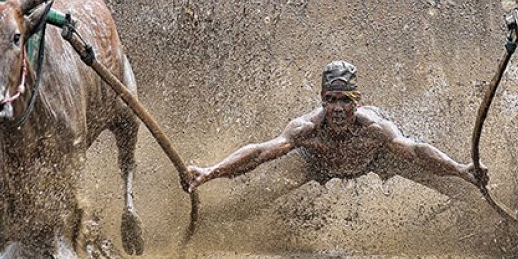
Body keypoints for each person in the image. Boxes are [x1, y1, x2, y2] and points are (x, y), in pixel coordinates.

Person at [187, 61, 487, 198]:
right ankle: (214, 222)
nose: (338, 109)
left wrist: (459, 168)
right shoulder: (307, 129)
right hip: (316, 164)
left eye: (345, 101)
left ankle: (481, 205)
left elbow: (414, 150)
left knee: (448, 182)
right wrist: (210, 171)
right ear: (322, 100)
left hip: (376, 159)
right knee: (256, 199)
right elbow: (261, 151)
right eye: (331, 101)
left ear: (357, 103)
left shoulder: (373, 128)